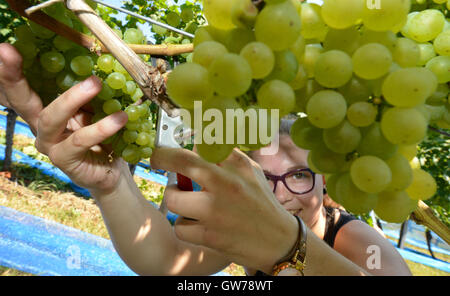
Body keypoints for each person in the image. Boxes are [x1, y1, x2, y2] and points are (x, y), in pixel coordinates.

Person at [0, 43, 412, 276]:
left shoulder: (352, 239)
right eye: (265, 180)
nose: (282, 195)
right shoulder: (250, 225)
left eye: (300, 177)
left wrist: (290, 246)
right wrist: (111, 185)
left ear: (325, 183)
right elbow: (168, 264)